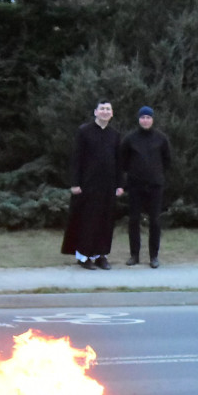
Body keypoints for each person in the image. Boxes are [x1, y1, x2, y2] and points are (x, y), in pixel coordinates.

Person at [61, 99, 124, 270]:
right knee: (87, 221)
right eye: (102, 108)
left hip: (108, 185)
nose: (105, 111)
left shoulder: (115, 135)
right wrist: (75, 183)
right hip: (87, 185)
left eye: (108, 109)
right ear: (95, 112)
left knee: (105, 221)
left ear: (111, 113)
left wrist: (120, 185)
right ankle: (84, 256)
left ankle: (101, 256)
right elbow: (76, 159)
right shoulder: (84, 132)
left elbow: (119, 162)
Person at [120, 106, 172, 269]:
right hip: (135, 185)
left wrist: (157, 175)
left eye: (148, 118)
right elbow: (123, 161)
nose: (145, 120)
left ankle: (153, 256)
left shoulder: (161, 138)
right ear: (138, 119)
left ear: (152, 119)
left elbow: (167, 160)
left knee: (155, 221)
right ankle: (134, 255)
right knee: (134, 220)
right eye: (142, 117)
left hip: (155, 186)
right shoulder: (130, 138)